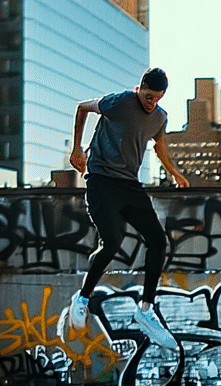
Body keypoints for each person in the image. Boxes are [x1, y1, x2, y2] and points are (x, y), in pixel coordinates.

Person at [66, 67, 189, 348]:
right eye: (147, 96)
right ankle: (82, 297)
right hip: (100, 181)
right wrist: (77, 149)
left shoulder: (159, 117)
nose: (151, 103)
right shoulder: (120, 101)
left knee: (158, 241)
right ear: (139, 88)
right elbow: (82, 108)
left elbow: (159, 147)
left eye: (156, 98)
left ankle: (145, 310)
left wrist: (174, 173)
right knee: (112, 240)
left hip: (129, 186)